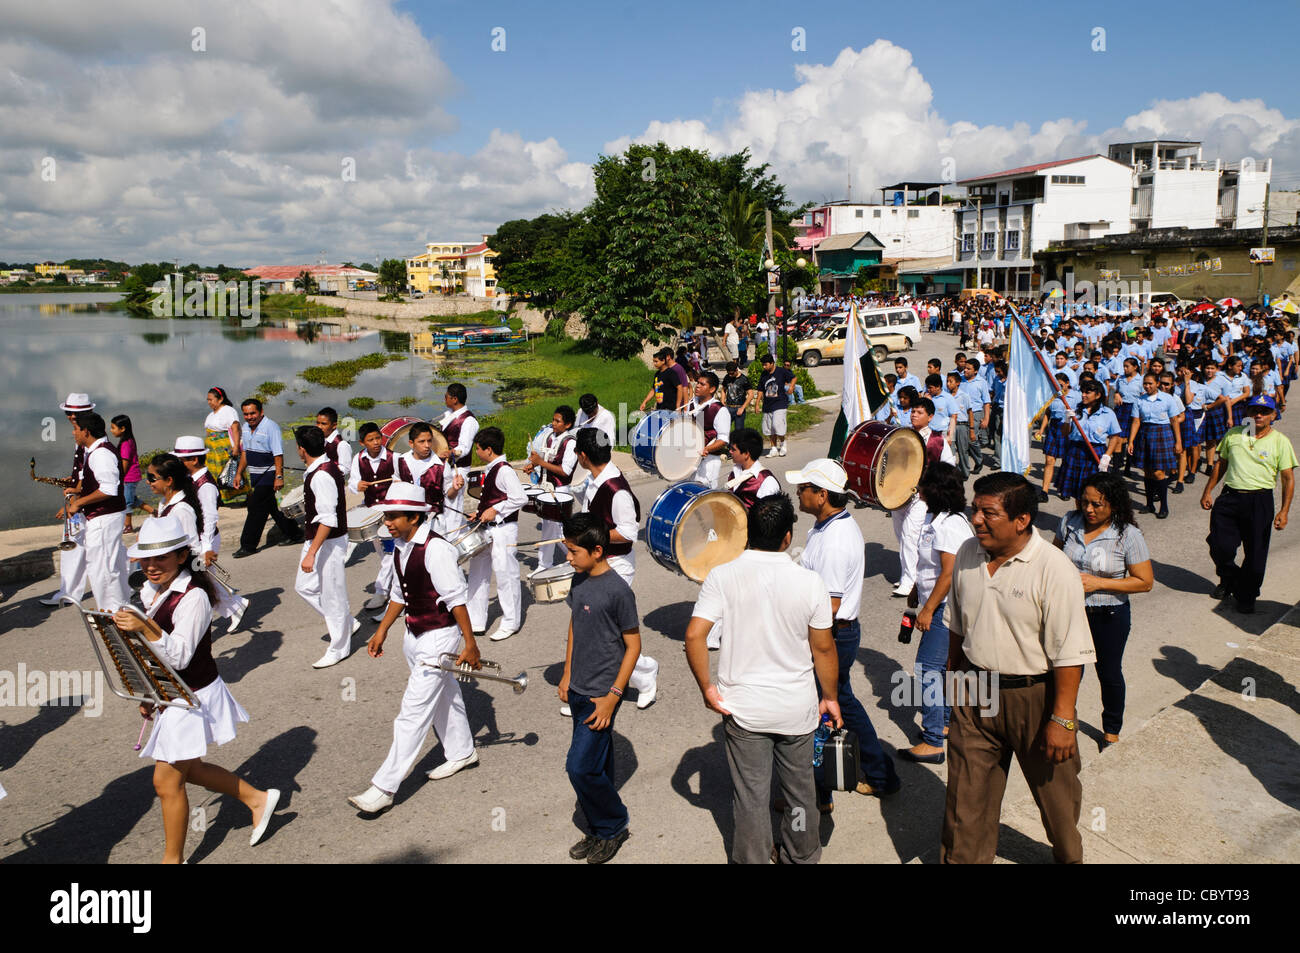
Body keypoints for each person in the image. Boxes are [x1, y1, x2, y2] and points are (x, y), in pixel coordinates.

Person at [941, 473, 1091, 864]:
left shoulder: (1053, 568)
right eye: (975, 510)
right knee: (965, 801)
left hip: (1036, 699)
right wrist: (953, 673)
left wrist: (1063, 719)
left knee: (1057, 802)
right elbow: (958, 624)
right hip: (975, 692)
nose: (976, 520)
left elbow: (1070, 652)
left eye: (988, 513)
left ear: (1022, 519)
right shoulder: (968, 554)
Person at [112, 515, 280, 863]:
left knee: (166, 782)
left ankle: (171, 860)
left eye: (161, 558)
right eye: (146, 558)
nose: (151, 566)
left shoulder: (195, 597)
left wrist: (144, 626)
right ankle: (258, 799)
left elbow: (181, 655)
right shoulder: (152, 590)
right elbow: (151, 655)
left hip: (192, 695)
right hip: (170, 693)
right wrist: (148, 694)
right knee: (193, 770)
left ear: (180, 556)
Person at [684, 494, 841, 864]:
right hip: (796, 709)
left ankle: (752, 857)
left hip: (744, 710)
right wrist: (830, 696)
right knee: (800, 793)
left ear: (748, 534)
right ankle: (800, 853)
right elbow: (823, 649)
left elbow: (694, 635)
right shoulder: (810, 582)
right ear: (787, 537)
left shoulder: (722, 576)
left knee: (751, 798)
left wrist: (707, 687)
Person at [348, 482, 482, 816]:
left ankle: (384, 787)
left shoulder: (437, 550)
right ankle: (462, 751)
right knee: (445, 696)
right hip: (414, 635)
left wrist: (470, 643)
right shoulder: (401, 545)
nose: (388, 522)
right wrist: (381, 630)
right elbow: (398, 593)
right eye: (386, 516)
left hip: (439, 638)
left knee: (411, 714)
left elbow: (456, 599)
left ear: (414, 516)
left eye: (394, 516)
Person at [787, 459, 900, 804]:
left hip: (833, 636)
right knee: (837, 703)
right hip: (832, 634)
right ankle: (871, 776)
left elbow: (830, 607)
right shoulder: (824, 526)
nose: (797, 493)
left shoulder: (836, 540)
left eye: (803, 488)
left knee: (829, 706)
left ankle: (822, 790)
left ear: (821, 495)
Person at [558, 514, 640, 864]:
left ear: (596, 550)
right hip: (578, 686)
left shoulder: (618, 590)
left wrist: (612, 698)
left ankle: (613, 824)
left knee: (578, 767)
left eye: (573, 551)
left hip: (602, 694)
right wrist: (566, 674)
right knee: (598, 762)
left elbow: (633, 646)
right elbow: (575, 623)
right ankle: (597, 827)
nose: (568, 557)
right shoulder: (579, 581)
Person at [1053, 472, 1153, 749]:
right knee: (1066, 671)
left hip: (1109, 616)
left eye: (1097, 504)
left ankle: (1111, 731)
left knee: (1108, 673)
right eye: (1085, 502)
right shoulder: (1069, 523)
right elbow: (1052, 559)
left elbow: (1144, 582)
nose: (1089, 509)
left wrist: (1098, 583)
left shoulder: (1128, 535)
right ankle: (1063, 723)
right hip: (1071, 612)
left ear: (1115, 505)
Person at [571, 427, 659, 708]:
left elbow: (629, 532)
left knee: (609, 633)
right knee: (599, 630)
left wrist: (591, 538)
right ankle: (631, 676)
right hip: (597, 561)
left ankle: (640, 676)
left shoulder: (615, 490)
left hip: (616, 565)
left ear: (583, 456)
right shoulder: (595, 480)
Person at [902, 461, 972, 763]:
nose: (918, 490)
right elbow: (930, 566)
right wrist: (918, 589)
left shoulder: (951, 524)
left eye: (924, 485)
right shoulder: (935, 519)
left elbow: (949, 572)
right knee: (939, 670)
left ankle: (932, 741)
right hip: (936, 600)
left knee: (927, 670)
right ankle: (943, 725)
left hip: (946, 607)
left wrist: (928, 609)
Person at [1201, 395, 1296, 614]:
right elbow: (1221, 464)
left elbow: (1288, 478)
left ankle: (1247, 595)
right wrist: (1207, 491)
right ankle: (1230, 579)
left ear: (1273, 415)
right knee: (1219, 545)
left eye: (1264, 411)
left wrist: (1284, 510)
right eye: (1254, 411)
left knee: (1255, 554)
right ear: (1247, 414)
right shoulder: (1234, 435)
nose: (1258, 415)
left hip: (1259, 501)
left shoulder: (1280, 441)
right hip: (1229, 498)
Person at [162, 442, 250, 632]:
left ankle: (206, 620)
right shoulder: (190, 478)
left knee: (200, 582)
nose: (178, 463)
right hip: (196, 537)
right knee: (204, 581)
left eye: (181, 459)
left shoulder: (206, 485)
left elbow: (210, 517)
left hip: (204, 540)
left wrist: (206, 547)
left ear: (194, 460)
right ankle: (235, 605)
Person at [293, 426, 355, 669]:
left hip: (328, 541)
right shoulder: (323, 468)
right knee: (304, 587)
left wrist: (311, 553)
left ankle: (339, 647)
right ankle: (346, 622)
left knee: (333, 596)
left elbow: (328, 519)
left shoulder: (321, 475)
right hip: (317, 538)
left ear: (302, 449)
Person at [64, 412, 131, 612]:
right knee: (109, 566)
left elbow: (109, 489)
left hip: (104, 518)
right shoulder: (97, 451)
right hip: (104, 517)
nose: (74, 433)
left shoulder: (101, 453)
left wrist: (79, 503)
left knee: (103, 569)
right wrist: (77, 491)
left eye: (76, 429)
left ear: (86, 431)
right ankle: (119, 609)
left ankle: (113, 613)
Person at [467, 426, 526, 641]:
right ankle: (476, 619)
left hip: (504, 531)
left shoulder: (504, 470)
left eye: (478, 449)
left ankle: (511, 622)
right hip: (488, 528)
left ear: (489, 449)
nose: (477, 453)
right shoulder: (492, 467)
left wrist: (496, 510)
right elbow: (494, 498)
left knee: (505, 575)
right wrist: (481, 512)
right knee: (477, 572)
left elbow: (520, 498)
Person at [40, 393, 95, 607]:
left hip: (85, 503)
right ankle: (69, 592)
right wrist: (71, 481)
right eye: (68, 413)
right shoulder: (81, 435)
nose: (71, 416)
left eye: (76, 413)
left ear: (87, 413)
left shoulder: (89, 437)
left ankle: (69, 593)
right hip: (81, 499)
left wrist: (76, 500)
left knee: (78, 547)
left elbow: (92, 475)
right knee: (80, 547)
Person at [234, 398, 301, 557]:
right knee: (272, 507)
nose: (250, 417)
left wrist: (279, 476)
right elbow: (245, 452)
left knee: (255, 508)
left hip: (269, 473)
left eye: (253, 413)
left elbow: (278, 454)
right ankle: (295, 534)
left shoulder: (271, 428)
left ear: (261, 412)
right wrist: (238, 473)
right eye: (246, 414)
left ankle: (248, 545)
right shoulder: (245, 427)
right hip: (255, 475)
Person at [350, 421, 398, 612]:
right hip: (372, 512)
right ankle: (397, 588)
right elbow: (353, 481)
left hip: (392, 511)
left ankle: (381, 591)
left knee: (389, 552)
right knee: (384, 554)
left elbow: (404, 477)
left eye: (378, 438)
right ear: (363, 443)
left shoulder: (394, 457)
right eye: (371, 440)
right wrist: (357, 486)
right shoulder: (358, 459)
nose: (376, 442)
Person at [525, 405, 579, 569]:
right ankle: (574, 557)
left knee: (552, 529)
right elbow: (544, 460)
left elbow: (565, 471)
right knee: (552, 528)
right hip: (546, 486)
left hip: (559, 490)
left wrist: (541, 463)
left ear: (568, 424)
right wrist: (533, 466)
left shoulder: (570, 443)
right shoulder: (550, 437)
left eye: (558, 421)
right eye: (553, 420)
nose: (553, 423)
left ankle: (546, 564)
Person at [1127, 372, 1184, 519]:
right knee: (1147, 471)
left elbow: (1174, 421)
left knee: (1159, 472)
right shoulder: (1139, 400)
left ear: (1157, 383)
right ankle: (1149, 503)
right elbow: (1136, 421)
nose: (1147, 386)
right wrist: (1131, 440)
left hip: (1162, 433)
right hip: (1145, 434)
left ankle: (1163, 506)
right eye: (1145, 383)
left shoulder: (1167, 399)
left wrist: (1178, 441)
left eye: (1150, 383)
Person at [1055, 381, 1123, 503]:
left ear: (1098, 395)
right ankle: (1080, 519)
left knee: (1093, 492)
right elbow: (1065, 433)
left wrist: (1107, 456)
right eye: (1082, 392)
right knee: (1078, 493)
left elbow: (1115, 436)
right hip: (1075, 451)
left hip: (1095, 451)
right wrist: (1067, 419)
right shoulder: (1075, 410)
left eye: (1088, 392)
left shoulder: (1108, 413)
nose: (1083, 395)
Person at [204, 386, 246, 504]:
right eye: (208, 400)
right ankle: (219, 497)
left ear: (220, 399)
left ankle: (248, 496)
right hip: (212, 450)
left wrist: (236, 447)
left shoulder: (228, 411)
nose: (209, 402)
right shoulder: (211, 414)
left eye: (211, 399)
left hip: (224, 448)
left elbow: (235, 428)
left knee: (229, 470)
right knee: (215, 473)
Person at [689, 372, 730, 489]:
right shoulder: (690, 404)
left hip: (709, 460)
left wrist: (706, 449)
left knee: (704, 497)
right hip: (690, 459)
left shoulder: (719, 410)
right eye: (697, 383)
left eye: (702, 384)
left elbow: (723, 439)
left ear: (712, 389)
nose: (697, 386)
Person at [757, 353, 795, 456]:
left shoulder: (781, 371)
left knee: (777, 424)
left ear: (772, 363)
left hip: (780, 403)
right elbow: (760, 389)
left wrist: (791, 387)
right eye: (763, 365)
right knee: (769, 428)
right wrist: (757, 404)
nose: (764, 367)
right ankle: (773, 448)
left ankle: (783, 444)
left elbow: (793, 377)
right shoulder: (764, 374)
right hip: (767, 404)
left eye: (766, 364)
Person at [110, 414, 141, 535]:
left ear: (122, 428)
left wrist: (119, 477)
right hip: (131, 476)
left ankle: (128, 526)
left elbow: (125, 462)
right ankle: (152, 510)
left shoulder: (126, 444)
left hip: (129, 476)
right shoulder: (128, 441)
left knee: (126, 501)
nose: (111, 430)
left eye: (113, 428)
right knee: (131, 498)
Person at [438, 383, 479, 467]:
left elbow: (465, 447)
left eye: (446, 397)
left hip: (459, 468)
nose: (444, 399)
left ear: (455, 399)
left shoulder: (469, 420)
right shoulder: (448, 414)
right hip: (446, 465)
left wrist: (451, 452)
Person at [316, 406, 353, 478]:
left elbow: (346, 469)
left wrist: (325, 469)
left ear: (334, 425)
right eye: (318, 423)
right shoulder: (322, 439)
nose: (319, 427)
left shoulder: (342, 444)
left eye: (323, 424)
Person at [722, 361, 755, 435]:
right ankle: (726, 445)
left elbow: (751, 394)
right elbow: (723, 390)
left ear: (736, 370)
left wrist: (743, 408)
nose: (730, 375)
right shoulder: (727, 377)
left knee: (739, 432)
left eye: (732, 373)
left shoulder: (744, 379)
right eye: (729, 373)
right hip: (728, 407)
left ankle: (738, 446)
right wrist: (722, 402)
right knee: (724, 429)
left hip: (739, 408)